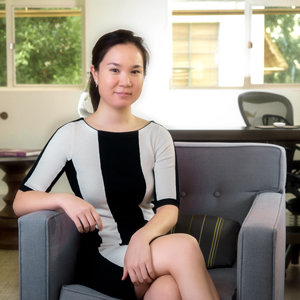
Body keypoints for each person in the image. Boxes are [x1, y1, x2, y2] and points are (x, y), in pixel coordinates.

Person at [13, 29, 219, 300]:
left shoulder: (157, 136)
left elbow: (168, 208)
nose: (126, 80)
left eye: (135, 71)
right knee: (186, 247)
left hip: (148, 246)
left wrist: (141, 238)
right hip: (103, 255)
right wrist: (64, 200)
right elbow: (21, 201)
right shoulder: (70, 135)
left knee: (167, 289)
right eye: (115, 70)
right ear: (95, 73)